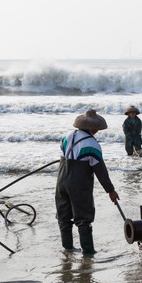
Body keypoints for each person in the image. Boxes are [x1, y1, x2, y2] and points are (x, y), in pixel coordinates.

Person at [55, 109, 120, 254]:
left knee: (63, 214)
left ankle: (68, 248)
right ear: (93, 128)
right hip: (78, 184)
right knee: (83, 218)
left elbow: (63, 152)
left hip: (61, 180)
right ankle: (88, 252)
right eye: (97, 128)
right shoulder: (92, 144)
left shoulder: (67, 136)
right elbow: (100, 170)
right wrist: (110, 190)